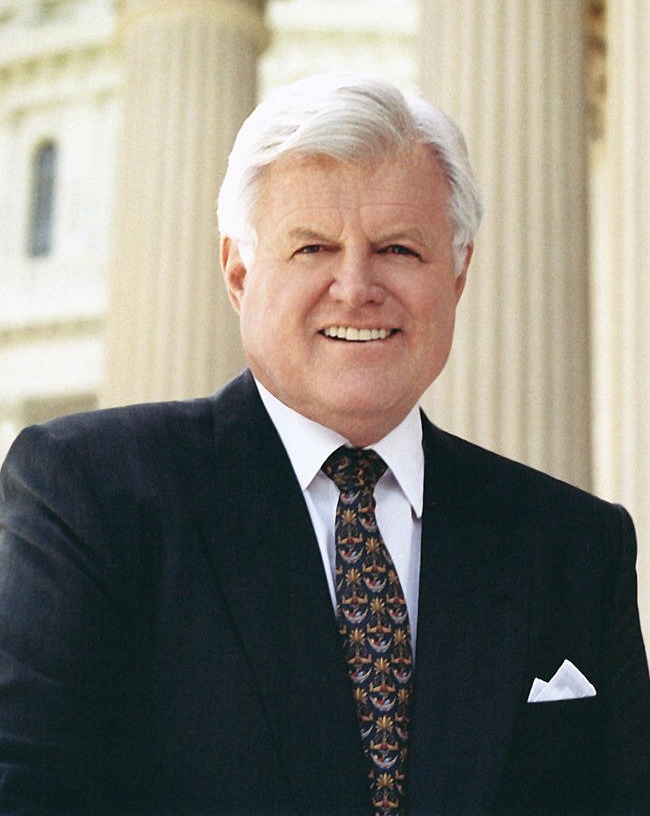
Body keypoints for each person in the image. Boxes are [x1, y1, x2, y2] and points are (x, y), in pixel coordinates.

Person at [0, 71, 649, 815]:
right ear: (240, 273)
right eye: (311, 248)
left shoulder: (577, 545)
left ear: (460, 273)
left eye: (399, 249)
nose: (355, 286)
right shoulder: (90, 494)